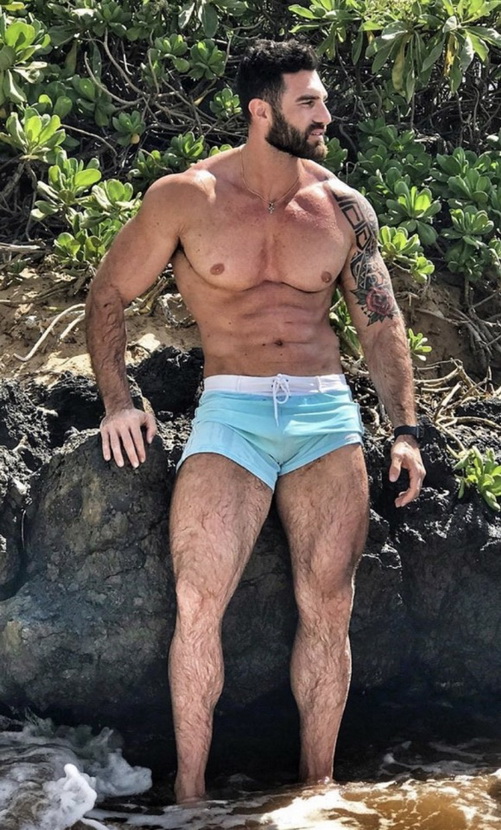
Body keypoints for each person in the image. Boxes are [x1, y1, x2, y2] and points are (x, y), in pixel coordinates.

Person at [85, 39, 426, 804]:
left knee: (328, 604)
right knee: (198, 599)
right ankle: (190, 800)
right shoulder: (186, 197)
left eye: (322, 100)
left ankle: (318, 792)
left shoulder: (342, 207)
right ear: (261, 111)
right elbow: (108, 293)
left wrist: (405, 431)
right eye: (308, 102)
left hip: (323, 414)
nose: (324, 114)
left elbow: (380, 325)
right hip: (231, 413)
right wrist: (118, 400)